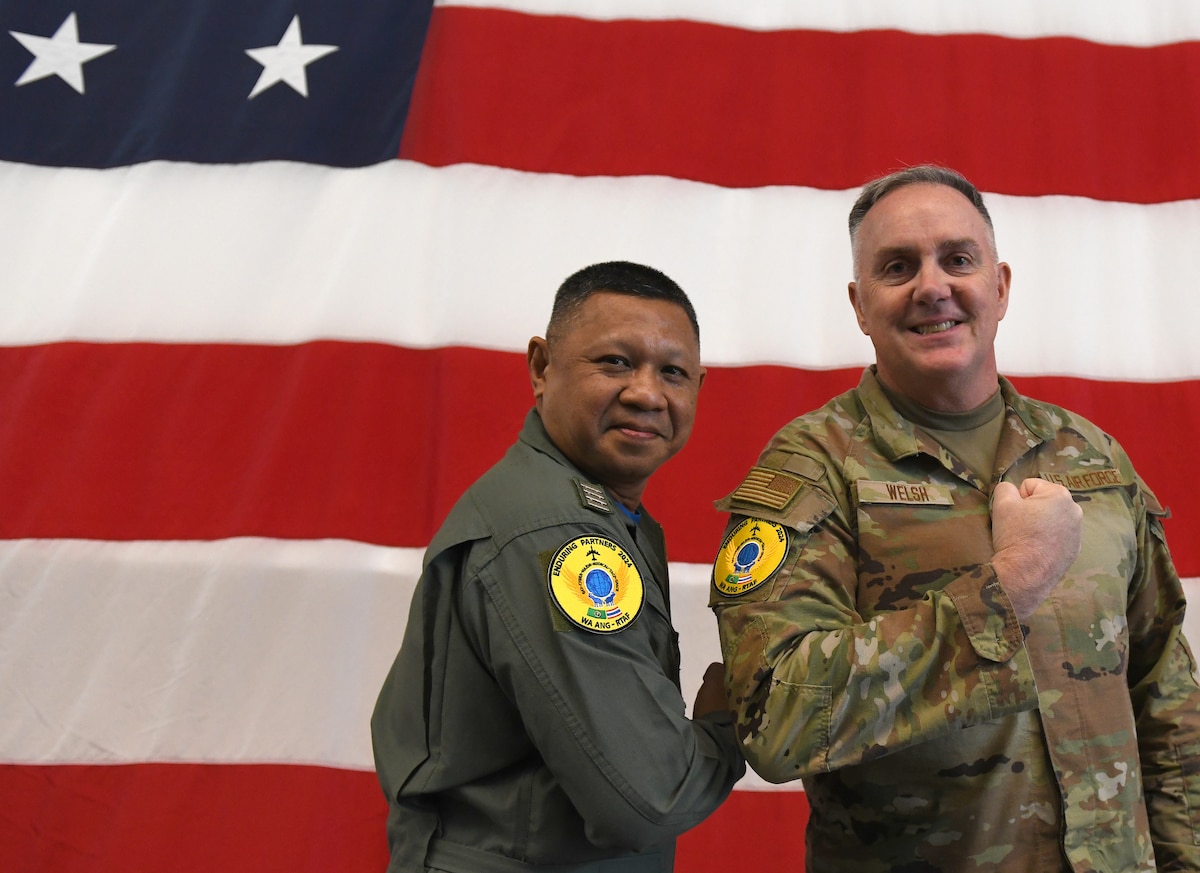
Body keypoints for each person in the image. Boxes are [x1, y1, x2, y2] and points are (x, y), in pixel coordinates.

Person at [708, 165, 1200, 872]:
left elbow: (1165, 698)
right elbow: (775, 719)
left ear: (999, 287)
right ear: (859, 303)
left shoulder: (1092, 457)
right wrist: (1008, 585)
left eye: (957, 259)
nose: (933, 286)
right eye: (898, 267)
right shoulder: (813, 469)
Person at [372, 261, 745, 873]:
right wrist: (724, 725)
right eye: (615, 362)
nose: (647, 393)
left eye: (672, 372)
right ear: (542, 368)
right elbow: (647, 801)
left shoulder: (594, 512)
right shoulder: (554, 533)